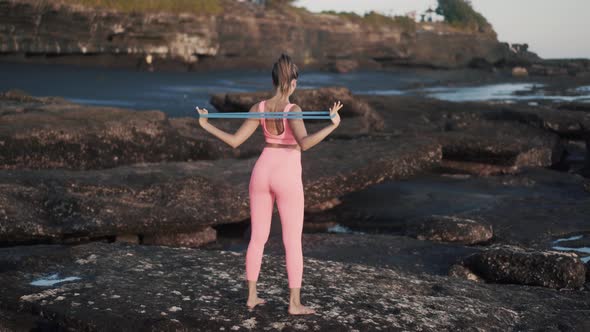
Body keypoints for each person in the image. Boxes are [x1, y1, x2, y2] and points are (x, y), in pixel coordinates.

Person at [196, 53, 342, 315]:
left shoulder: (258, 108)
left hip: (262, 171)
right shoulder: (293, 110)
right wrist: (332, 125)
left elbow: (234, 141)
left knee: (257, 238)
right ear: (293, 83)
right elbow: (305, 143)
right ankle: (294, 303)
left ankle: (251, 296)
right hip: (286, 174)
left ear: (274, 81)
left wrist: (206, 124)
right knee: (292, 241)